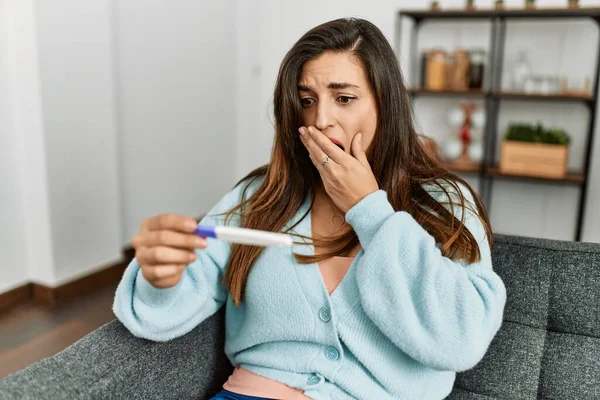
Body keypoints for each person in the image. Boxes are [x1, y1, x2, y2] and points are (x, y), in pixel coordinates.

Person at [113, 18, 506, 400]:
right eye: (307, 101)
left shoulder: (443, 202)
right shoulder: (261, 195)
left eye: (345, 98)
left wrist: (369, 210)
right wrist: (160, 276)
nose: (321, 119)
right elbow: (161, 311)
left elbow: (463, 339)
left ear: (386, 105)